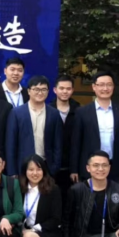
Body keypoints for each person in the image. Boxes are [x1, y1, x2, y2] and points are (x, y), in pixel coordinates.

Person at [70, 72, 119, 183]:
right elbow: (76, 142)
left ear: (113, 87)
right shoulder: (82, 112)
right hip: (89, 167)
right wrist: (74, 169)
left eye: (109, 85)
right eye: (101, 85)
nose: (105, 88)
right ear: (94, 87)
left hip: (114, 167)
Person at [13, 155, 62, 237]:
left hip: (47, 234)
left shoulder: (53, 189)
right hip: (24, 234)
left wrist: (33, 230)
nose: (35, 173)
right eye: (31, 169)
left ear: (44, 171)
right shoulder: (19, 188)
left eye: (38, 169)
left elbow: (56, 219)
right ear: (25, 172)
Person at [6, 76, 62, 177]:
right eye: (36, 89)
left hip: (46, 166)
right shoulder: (17, 113)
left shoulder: (54, 113)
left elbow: (57, 143)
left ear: (48, 91)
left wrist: (54, 167)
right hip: (23, 166)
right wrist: (12, 172)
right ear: (29, 91)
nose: (40, 93)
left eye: (43, 89)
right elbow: (11, 144)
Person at [51, 76, 80, 219]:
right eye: (61, 88)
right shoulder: (48, 109)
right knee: (53, 202)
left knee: (71, 203)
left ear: (72, 90)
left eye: (68, 88)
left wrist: (75, 168)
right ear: (55, 90)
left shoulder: (79, 111)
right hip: (52, 166)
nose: (65, 91)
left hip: (72, 166)